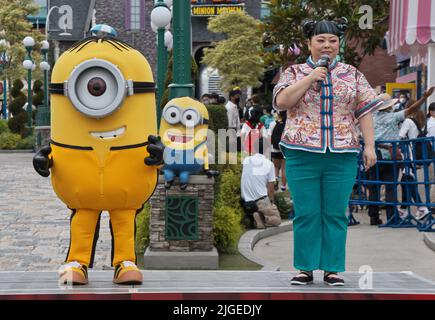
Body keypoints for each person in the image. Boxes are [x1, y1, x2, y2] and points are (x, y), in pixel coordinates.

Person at [273, 19, 382, 286]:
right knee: (307, 212)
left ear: (338, 44)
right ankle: (305, 268)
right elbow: (282, 102)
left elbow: (365, 110)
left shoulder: (352, 73)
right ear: (309, 43)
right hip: (301, 153)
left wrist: (369, 146)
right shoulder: (293, 72)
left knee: (334, 212)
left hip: (342, 153)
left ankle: (333, 268)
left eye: (332, 41)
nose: (327, 45)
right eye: (320, 40)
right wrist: (311, 78)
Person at [367, 89, 434, 225]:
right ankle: (392, 217)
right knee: (391, 187)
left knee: (374, 186)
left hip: (374, 155)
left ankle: (373, 217)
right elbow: (412, 109)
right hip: (390, 157)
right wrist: (424, 97)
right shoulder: (394, 117)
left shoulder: (371, 118)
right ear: (390, 106)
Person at [241, 138, 282, 229]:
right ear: (267, 149)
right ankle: (263, 218)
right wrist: (271, 203)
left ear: (255, 149)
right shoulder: (269, 164)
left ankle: (258, 217)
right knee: (277, 219)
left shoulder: (246, 160)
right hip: (260, 201)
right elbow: (271, 189)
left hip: (245, 200)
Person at [398, 109, 430, 219]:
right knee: (406, 181)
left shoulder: (408, 121)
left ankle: (421, 208)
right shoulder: (422, 122)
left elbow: (400, 136)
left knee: (407, 181)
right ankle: (404, 209)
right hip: (418, 156)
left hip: (408, 155)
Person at [269, 111, 287, 191]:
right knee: (284, 168)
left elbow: (269, 134)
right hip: (285, 148)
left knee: (275, 167)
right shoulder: (289, 124)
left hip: (275, 147)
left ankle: (275, 183)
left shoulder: (274, 123)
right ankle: (283, 187)